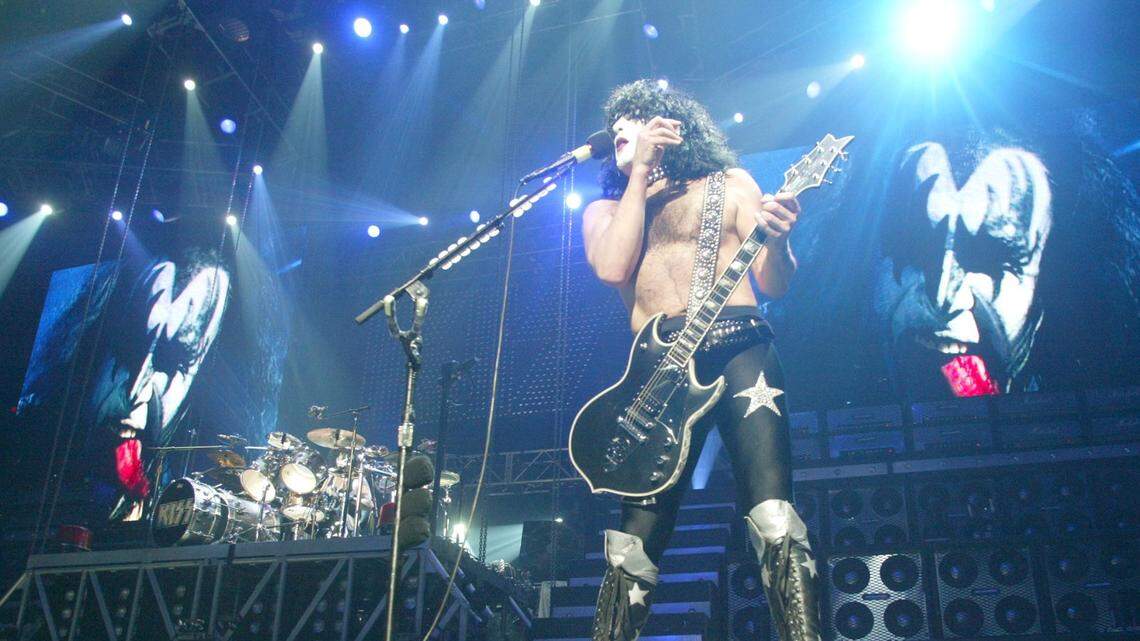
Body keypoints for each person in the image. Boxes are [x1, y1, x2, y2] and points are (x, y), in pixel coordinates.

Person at [581, 79, 820, 641]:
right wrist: (638, 172)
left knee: (772, 513)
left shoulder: (729, 183)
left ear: (671, 127)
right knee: (632, 542)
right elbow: (614, 269)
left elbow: (773, 282)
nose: (619, 127)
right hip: (656, 368)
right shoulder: (605, 210)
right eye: (615, 121)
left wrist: (780, 241)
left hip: (739, 344)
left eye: (634, 117)